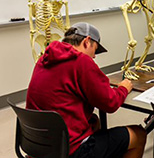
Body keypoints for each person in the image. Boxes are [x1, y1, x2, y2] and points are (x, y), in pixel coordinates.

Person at [26, 22, 147, 158]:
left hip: (39, 146)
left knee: (94, 121)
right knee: (138, 134)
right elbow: (110, 103)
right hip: (68, 150)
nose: (94, 56)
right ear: (87, 41)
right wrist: (123, 89)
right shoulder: (81, 62)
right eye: (95, 50)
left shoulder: (44, 59)